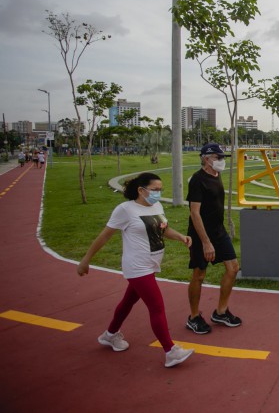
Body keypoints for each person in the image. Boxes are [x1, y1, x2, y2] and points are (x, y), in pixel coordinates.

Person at [77, 172, 195, 368]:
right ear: (141, 190)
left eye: (160, 190)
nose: (158, 193)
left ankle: (110, 335)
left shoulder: (155, 206)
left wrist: (181, 237)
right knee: (157, 307)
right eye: (155, 190)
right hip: (137, 266)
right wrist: (86, 260)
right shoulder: (125, 210)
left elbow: (163, 229)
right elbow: (105, 236)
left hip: (151, 264)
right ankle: (170, 351)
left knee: (127, 302)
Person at [186, 143, 242, 334]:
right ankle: (193, 317)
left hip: (219, 231)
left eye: (222, 157)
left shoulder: (217, 175)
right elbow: (195, 213)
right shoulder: (197, 180)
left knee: (233, 268)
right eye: (218, 157)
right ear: (206, 159)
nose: (221, 161)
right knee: (199, 274)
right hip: (200, 234)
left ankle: (221, 311)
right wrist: (205, 242)